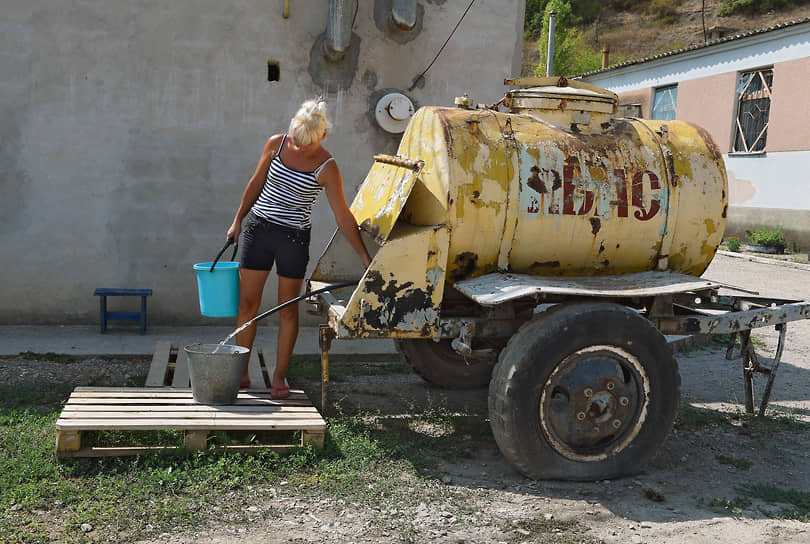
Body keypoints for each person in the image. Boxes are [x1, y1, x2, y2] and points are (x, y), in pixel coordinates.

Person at [227, 99, 371, 398]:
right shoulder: (276, 144)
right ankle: (240, 372)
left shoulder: (328, 167)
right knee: (247, 304)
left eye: (307, 144)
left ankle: (279, 377)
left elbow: (343, 215)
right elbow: (256, 183)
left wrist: (363, 256)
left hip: (292, 240)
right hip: (259, 230)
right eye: (296, 140)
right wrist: (237, 220)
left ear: (322, 136)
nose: (300, 147)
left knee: (288, 310)